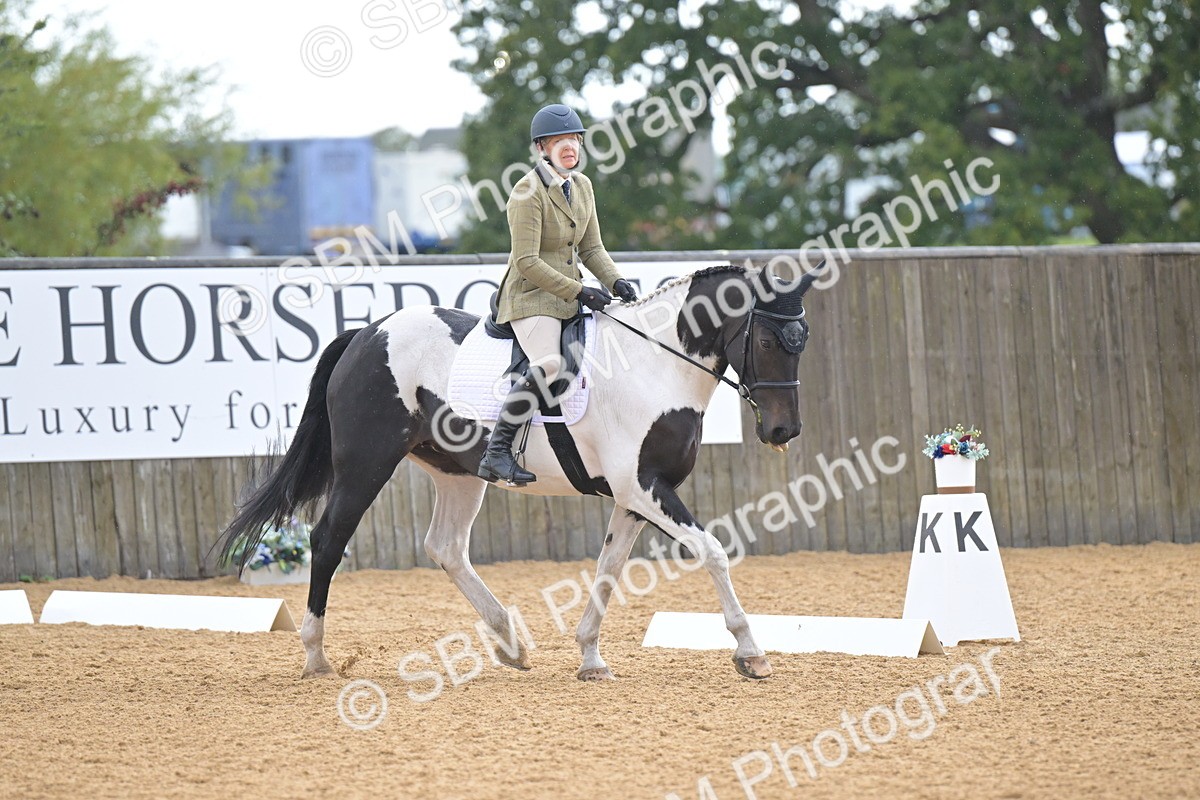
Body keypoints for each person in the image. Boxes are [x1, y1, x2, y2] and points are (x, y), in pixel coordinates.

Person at [477, 103, 639, 486]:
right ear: (541, 149)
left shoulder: (582, 186)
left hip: (568, 297)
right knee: (549, 364)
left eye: (574, 139)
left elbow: (592, 248)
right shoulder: (526, 192)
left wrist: (616, 282)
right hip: (530, 297)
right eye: (559, 140)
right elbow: (526, 261)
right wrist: (581, 289)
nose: (569, 146)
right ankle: (496, 452)